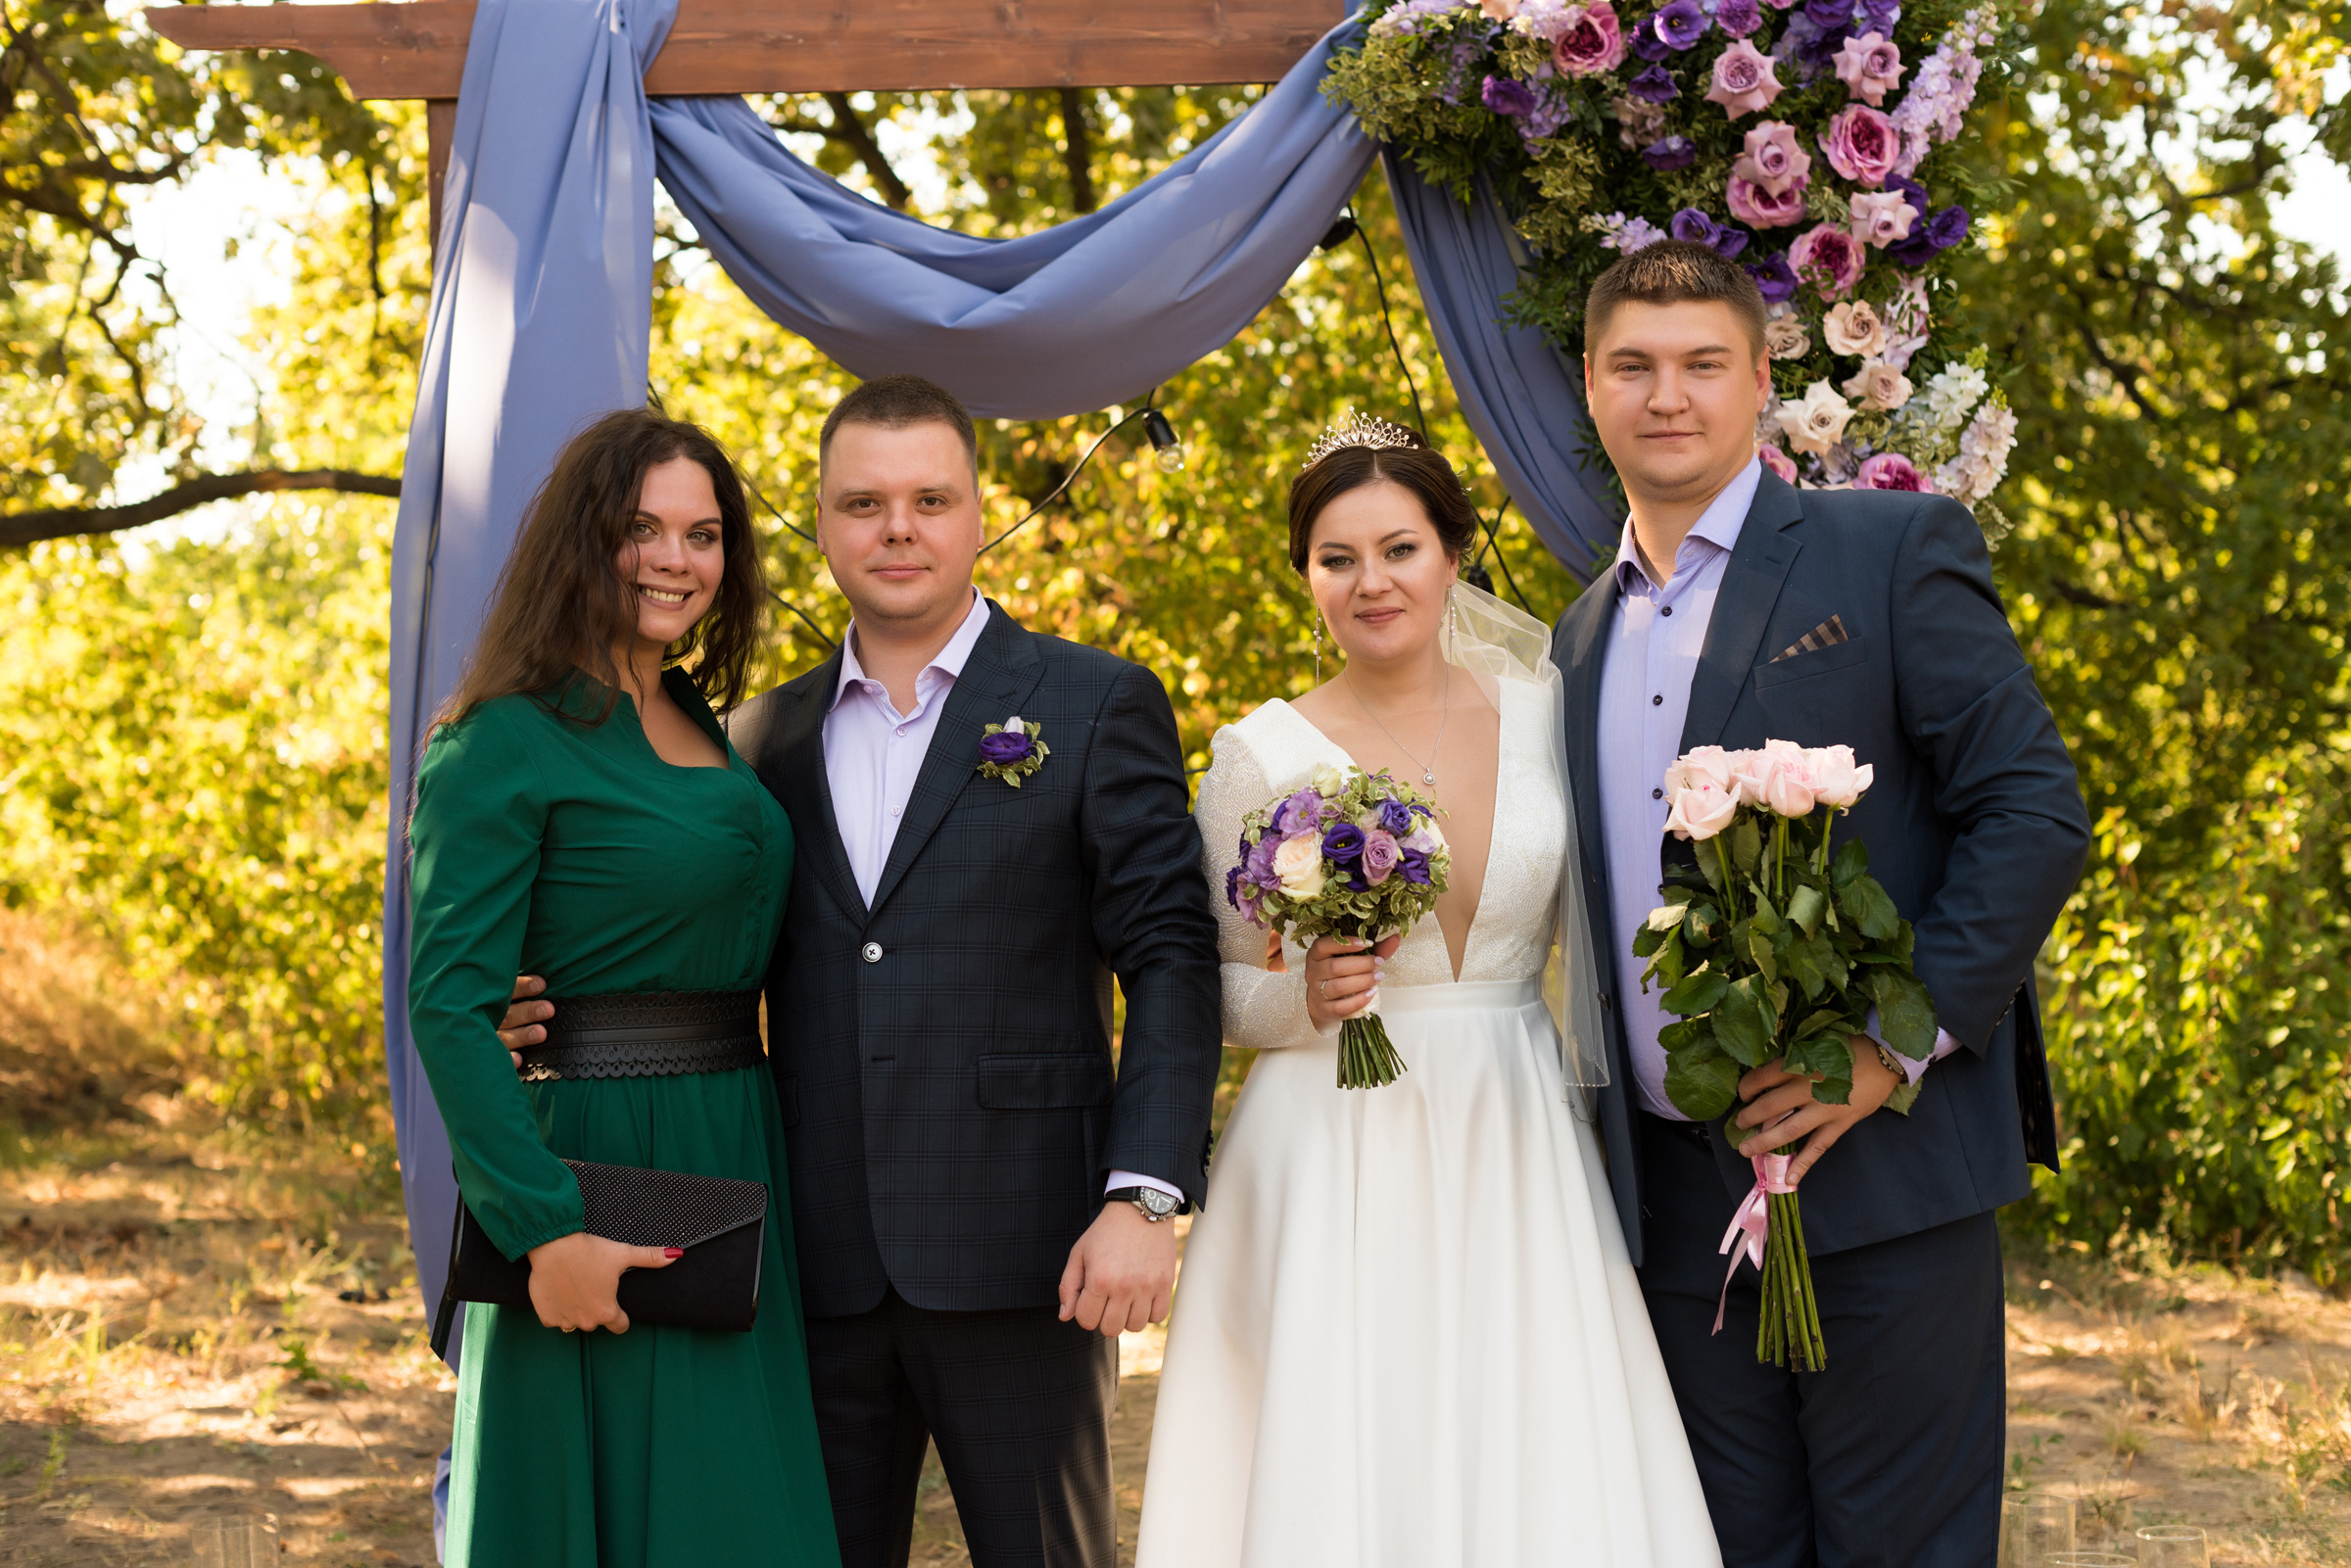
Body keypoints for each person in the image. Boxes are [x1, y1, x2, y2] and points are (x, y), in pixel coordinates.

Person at [502, 374, 1223, 1568]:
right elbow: (688, 940)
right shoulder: (755, 739)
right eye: (864, 501)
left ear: (978, 511)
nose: (899, 527)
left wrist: (1143, 1194)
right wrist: (543, 1006)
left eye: (931, 498)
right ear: (823, 524)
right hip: (804, 1258)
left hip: (1029, 1253)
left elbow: (1170, 953)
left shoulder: (1094, 703)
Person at [1553, 240, 2092, 1566]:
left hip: (1888, 1176)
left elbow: (2034, 813)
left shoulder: (1891, 549)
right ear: (1588, 385)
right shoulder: (1574, 636)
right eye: (1633, 364)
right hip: (1674, 1219)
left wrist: (1883, 1050)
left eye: (1701, 364)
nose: (1665, 395)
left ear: (1760, 378)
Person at [1135, 414, 1722, 1568]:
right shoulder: (1257, 754)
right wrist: (1305, 993)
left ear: (1451, 550)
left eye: (1398, 548)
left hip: (1517, 1129)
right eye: (1336, 557)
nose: (1371, 581)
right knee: (1347, 1438)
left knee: (1530, 1430)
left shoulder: (1552, 712)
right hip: (1333, 1145)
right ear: (1306, 575)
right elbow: (1209, 991)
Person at [406, 408, 840, 1567]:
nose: (674, 557)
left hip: (730, 1144)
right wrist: (547, 1227)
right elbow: (446, 1006)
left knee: (735, 1506)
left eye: (704, 534)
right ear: (581, 537)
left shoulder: (699, 714)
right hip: (593, 1162)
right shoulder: (498, 739)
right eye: (640, 526)